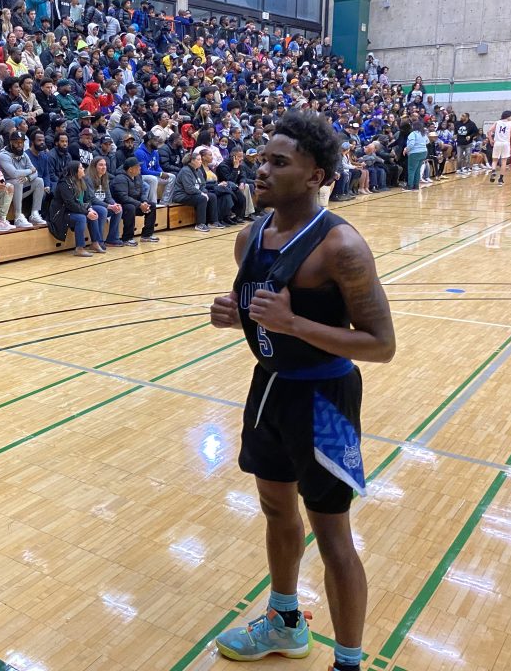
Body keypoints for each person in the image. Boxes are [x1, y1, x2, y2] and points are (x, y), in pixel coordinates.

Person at [210, 109, 395, 671]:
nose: (260, 170)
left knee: (333, 533)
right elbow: (265, 310)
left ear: (315, 175)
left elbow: (381, 344)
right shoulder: (250, 236)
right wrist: (235, 313)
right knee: (274, 508)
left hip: (326, 400)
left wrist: (294, 326)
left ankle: (348, 662)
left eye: (278, 163)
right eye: (262, 159)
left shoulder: (342, 247)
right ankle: (286, 622)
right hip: (270, 388)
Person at [49, 159, 107, 257]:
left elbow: (87, 199)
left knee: (94, 214)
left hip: (75, 211)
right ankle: (79, 248)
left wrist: (90, 209)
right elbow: (70, 204)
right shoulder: (64, 183)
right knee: (82, 218)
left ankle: (95, 243)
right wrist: (86, 212)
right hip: (62, 213)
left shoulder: (82, 181)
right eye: (81, 168)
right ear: (75, 171)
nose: (83, 169)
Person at [0, 130, 46, 228]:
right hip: (5, 189)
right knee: (17, 181)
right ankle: (18, 216)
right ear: (10, 142)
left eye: (21, 142)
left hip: (20, 189)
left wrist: (28, 178)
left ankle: (34, 214)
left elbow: (36, 172)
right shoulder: (3, 156)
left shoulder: (24, 154)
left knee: (39, 181)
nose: (19, 145)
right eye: (16, 142)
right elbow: (14, 173)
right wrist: (29, 171)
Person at [172, 150, 218, 231]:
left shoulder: (198, 170)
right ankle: (200, 224)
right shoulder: (185, 171)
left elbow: (203, 184)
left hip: (194, 194)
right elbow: (189, 188)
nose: (201, 161)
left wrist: (204, 192)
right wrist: (201, 193)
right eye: (198, 159)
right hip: (182, 195)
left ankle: (213, 222)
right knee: (202, 199)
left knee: (212, 196)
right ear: (192, 161)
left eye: (200, 159)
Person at [85, 157, 123, 246]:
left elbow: (108, 197)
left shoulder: (105, 178)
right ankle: (98, 241)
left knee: (118, 209)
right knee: (102, 210)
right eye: (101, 165)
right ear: (94, 167)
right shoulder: (88, 179)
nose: (104, 167)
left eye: (105, 165)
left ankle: (112, 238)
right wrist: (109, 206)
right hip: (90, 206)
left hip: (103, 205)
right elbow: (92, 199)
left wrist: (114, 204)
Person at [486, 109, 511, 187]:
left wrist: (491, 140)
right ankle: (501, 179)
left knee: (495, 160)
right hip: (506, 143)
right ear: (508, 116)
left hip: (497, 143)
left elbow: (489, 131)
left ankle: (493, 171)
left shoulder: (497, 122)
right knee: (504, 161)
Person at [402, 121, 428, 192]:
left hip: (415, 153)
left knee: (411, 170)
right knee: (417, 169)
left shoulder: (413, 134)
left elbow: (411, 144)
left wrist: (406, 149)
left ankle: (409, 186)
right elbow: (427, 141)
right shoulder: (423, 134)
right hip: (424, 152)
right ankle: (416, 186)